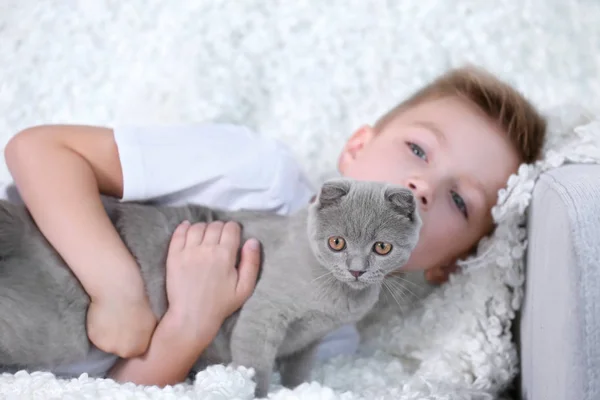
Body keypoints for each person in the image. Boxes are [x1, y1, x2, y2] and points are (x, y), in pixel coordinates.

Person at [2, 65, 547, 387]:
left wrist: (189, 327)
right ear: (357, 149)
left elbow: (114, 391)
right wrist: (116, 289)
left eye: (458, 199)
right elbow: (41, 151)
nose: (422, 186)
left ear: (446, 268)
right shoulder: (255, 173)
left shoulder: (329, 339)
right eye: (417, 148)